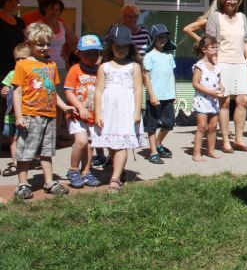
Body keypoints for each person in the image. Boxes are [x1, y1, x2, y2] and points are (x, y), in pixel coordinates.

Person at [184, 0, 247, 153]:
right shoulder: (216, 17)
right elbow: (210, 42)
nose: (232, 2)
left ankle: (239, 139)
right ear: (223, 1)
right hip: (222, 62)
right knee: (225, 102)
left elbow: (245, 41)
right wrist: (213, 63)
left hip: (239, 63)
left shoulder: (242, 17)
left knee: (243, 100)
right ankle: (225, 142)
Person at [12, 23, 77, 199]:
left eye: (47, 44)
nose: (45, 48)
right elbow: (17, 92)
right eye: (40, 44)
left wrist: (65, 107)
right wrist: (19, 116)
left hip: (49, 116)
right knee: (26, 152)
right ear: (29, 43)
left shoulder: (51, 65)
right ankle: (23, 183)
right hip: (30, 115)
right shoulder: (23, 64)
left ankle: (49, 182)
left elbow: (53, 92)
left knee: (46, 152)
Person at [93, 25, 148, 193]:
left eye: (125, 46)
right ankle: (120, 169)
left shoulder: (134, 67)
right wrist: (97, 113)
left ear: (130, 47)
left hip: (126, 109)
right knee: (111, 143)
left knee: (121, 144)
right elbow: (99, 91)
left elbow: (138, 89)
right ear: (111, 47)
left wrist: (137, 111)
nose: (121, 50)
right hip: (109, 110)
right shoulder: (104, 67)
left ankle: (115, 179)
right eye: (117, 46)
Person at [63, 35, 103, 189]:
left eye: (95, 53)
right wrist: (80, 107)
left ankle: (86, 172)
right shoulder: (75, 70)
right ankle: (73, 170)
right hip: (76, 114)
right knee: (81, 141)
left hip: (94, 115)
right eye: (87, 54)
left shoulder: (100, 70)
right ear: (78, 53)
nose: (91, 57)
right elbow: (68, 92)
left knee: (90, 145)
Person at [142, 24, 177, 164]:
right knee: (152, 125)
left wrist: (175, 93)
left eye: (164, 36)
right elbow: (146, 77)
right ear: (153, 39)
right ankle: (153, 152)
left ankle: (157, 143)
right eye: (159, 37)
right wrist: (151, 95)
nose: (162, 39)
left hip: (168, 96)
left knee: (169, 123)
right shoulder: (149, 56)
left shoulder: (169, 55)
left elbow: (172, 75)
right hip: (154, 97)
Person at [191, 35, 224, 162]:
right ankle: (196, 153)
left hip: (214, 101)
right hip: (202, 101)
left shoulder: (216, 66)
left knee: (213, 127)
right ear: (204, 50)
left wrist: (222, 88)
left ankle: (211, 150)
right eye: (213, 47)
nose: (216, 49)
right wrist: (210, 92)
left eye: (217, 47)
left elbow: (219, 82)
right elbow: (195, 83)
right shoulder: (200, 65)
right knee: (202, 127)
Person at [1, 44, 30, 178]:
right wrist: (4, 92)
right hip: (11, 114)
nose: (19, 62)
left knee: (25, 139)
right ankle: (15, 162)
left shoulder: (30, 74)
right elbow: (3, 91)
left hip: (26, 113)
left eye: (23, 59)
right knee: (13, 140)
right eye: (17, 59)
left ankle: (27, 159)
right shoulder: (11, 74)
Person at [0, 0, 25, 81]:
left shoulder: (20, 21)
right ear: (3, 1)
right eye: (10, 0)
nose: (14, 3)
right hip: (2, 67)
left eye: (16, 0)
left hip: (16, 66)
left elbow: (25, 42)